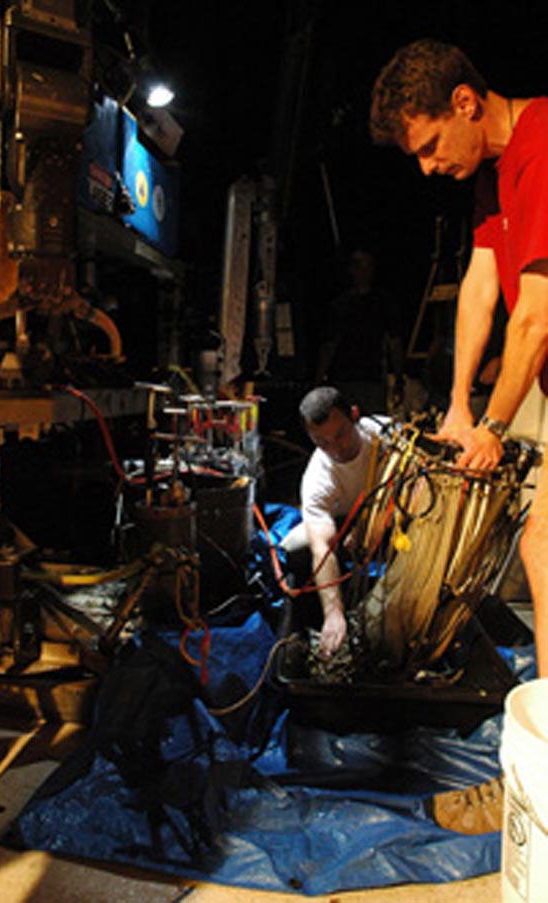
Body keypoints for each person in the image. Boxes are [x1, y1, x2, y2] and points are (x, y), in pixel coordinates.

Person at [369, 36, 548, 835]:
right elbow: (483, 287)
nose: (427, 166)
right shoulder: (493, 177)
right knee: (543, 548)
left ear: (466, 103)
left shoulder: (543, 146)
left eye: (432, 144)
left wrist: (497, 425)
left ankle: (536, 782)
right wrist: (457, 404)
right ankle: (534, 774)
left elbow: (538, 315)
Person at [281, 385, 385, 657]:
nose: (336, 449)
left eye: (340, 435)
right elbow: (322, 548)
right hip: (343, 522)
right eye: (322, 443)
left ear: (354, 415)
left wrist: (377, 523)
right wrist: (333, 613)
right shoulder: (317, 477)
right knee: (294, 548)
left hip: (394, 515)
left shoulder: (386, 436)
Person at [316, 248, 404, 415]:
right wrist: (319, 380)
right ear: (351, 270)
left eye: (367, 265)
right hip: (344, 380)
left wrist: (399, 378)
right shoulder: (340, 305)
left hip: (372, 379)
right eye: (358, 265)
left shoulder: (383, 303)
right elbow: (329, 345)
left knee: (372, 429)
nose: (363, 271)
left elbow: (395, 342)